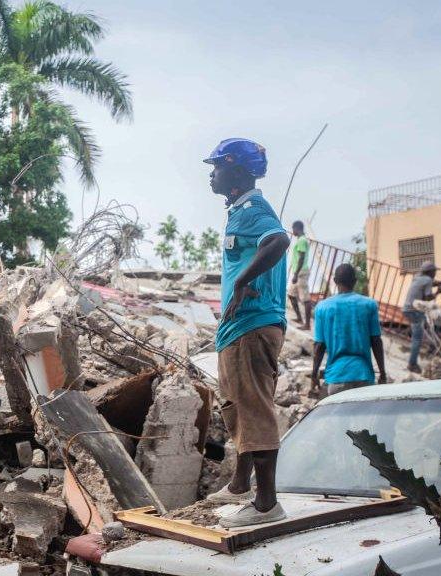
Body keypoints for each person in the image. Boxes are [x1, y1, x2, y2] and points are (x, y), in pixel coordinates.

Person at [201, 138, 290, 528]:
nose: (212, 173)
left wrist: (241, 283)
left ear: (236, 171)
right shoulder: (239, 211)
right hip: (241, 326)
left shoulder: (253, 209)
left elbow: (280, 240)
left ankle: (267, 503)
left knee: (253, 406)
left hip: (253, 323)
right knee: (238, 404)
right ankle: (240, 484)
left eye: (217, 166)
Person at [311, 263, 387, 396]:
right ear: (355, 281)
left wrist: (314, 375)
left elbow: (319, 346)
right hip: (363, 376)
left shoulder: (322, 307)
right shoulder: (369, 305)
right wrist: (382, 373)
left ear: (335, 281)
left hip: (336, 377)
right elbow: (376, 341)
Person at [402, 261, 441, 373]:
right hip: (415, 310)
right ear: (430, 272)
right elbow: (428, 298)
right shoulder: (428, 280)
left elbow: (435, 283)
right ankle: (412, 364)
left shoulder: (417, 277)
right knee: (417, 338)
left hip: (407, 309)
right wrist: (439, 292)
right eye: (434, 271)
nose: (435, 273)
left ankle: (431, 347)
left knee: (425, 326)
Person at [288, 220, 312, 330]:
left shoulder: (302, 240)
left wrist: (296, 274)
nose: (293, 231)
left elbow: (302, 257)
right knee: (291, 294)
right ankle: (299, 318)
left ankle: (307, 324)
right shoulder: (300, 240)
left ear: (297, 228)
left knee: (305, 298)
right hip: (298, 272)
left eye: (293, 229)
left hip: (301, 272)